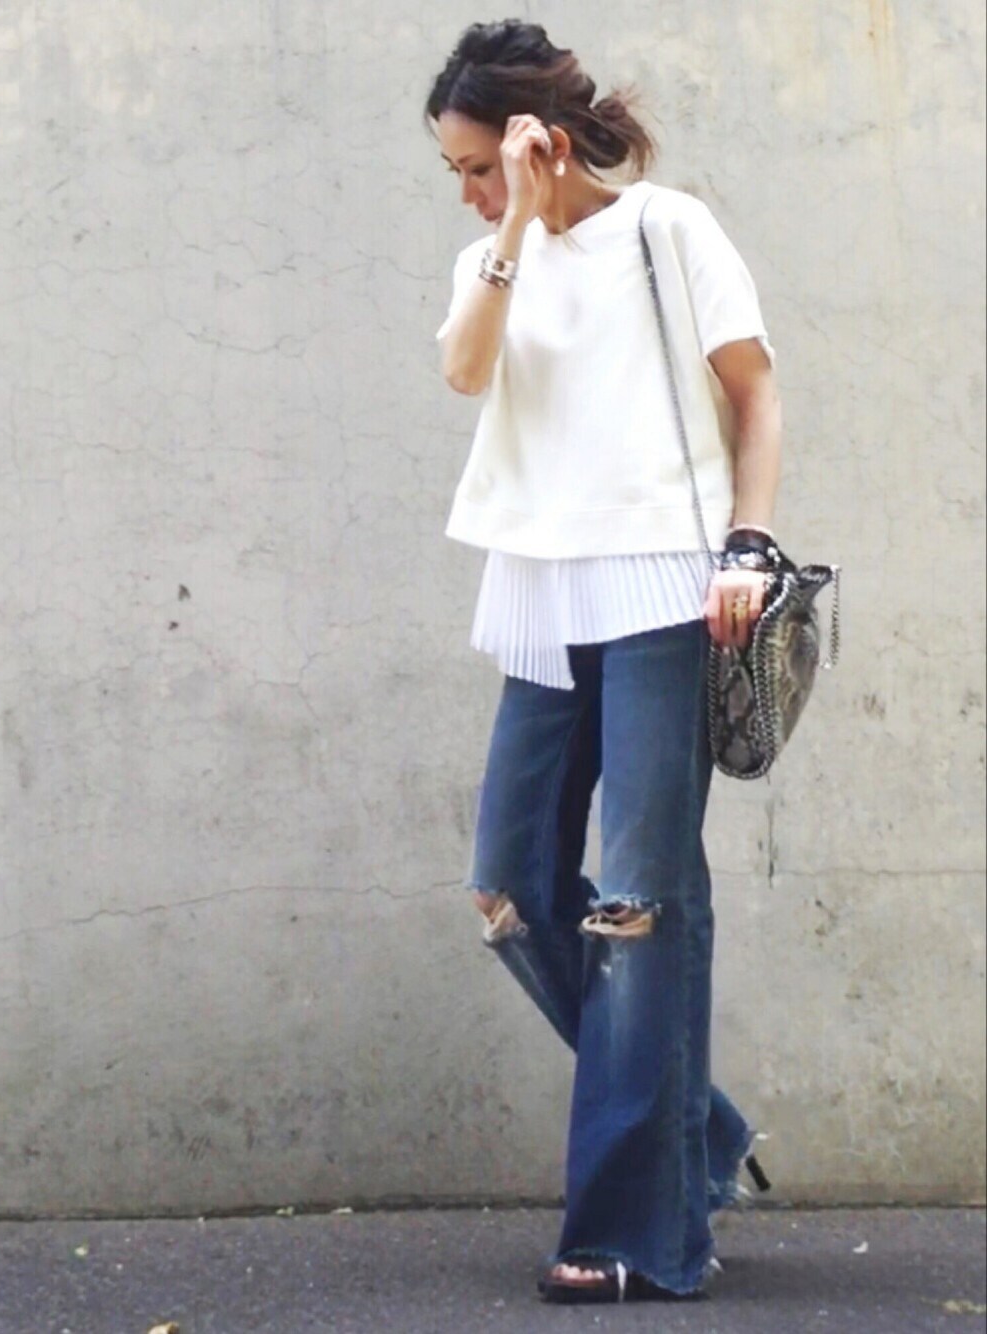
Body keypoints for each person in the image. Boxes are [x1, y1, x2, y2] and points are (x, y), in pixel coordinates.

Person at [426, 19, 780, 1304]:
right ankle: (696, 1136)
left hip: (662, 592)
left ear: (544, 140)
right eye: (457, 174)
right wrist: (515, 226)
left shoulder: (668, 228)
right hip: (540, 594)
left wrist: (748, 544)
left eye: (479, 166)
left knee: (636, 900)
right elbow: (464, 371)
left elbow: (754, 392)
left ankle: (637, 1229)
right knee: (513, 881)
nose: (468, 191)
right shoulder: (491, 258)